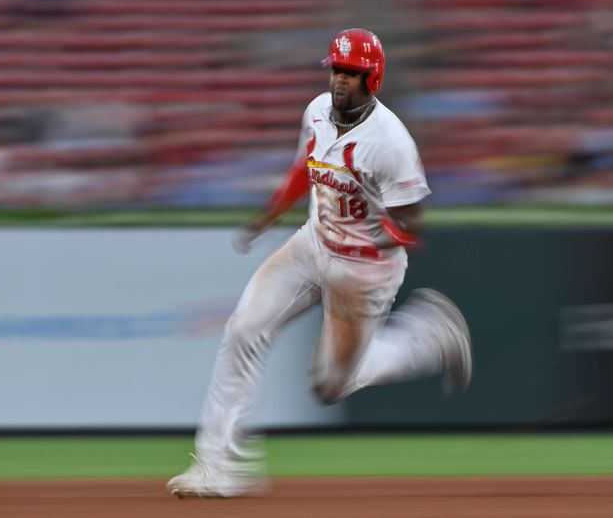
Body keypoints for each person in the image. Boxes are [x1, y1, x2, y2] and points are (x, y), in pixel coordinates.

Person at [167, 28, 472, 498]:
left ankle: (428, 336)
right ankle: (220, 466)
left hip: (364, 271)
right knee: (243, 330)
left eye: (351, 72)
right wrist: (267, 215)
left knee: (331, 387)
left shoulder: (391, 143)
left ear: (374, 78)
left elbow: (414, 224)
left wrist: (380, 234)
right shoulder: (316, 112)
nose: (340, 80)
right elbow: (303, 168)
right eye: (335, 69)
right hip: (312, 245)